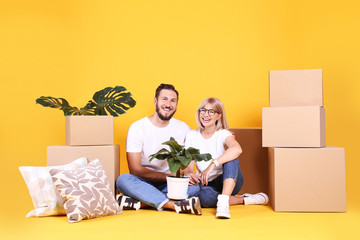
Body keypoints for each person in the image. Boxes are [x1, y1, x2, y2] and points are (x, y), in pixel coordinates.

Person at [115, 83, 202, 215]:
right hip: (143, 181)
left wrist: (189, 173)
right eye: (164, 99)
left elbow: (189, 162)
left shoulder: (183, 128)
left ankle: (143, 202)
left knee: (195, 187)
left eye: (173, 101)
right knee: (123, 180)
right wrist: (169, 176)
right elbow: (135, 170)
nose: (168, 104)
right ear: (155, 101)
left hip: (171, 184)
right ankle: (173, 205)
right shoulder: (137, 128)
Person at [184, 97, 269, 219]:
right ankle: (244, 199)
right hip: (207, 183)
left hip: (229, 179)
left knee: (231, 157)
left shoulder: (223, 134)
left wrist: (212, 165)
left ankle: (223, 203)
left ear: (219, 116)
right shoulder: (192, 135)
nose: (206, 114)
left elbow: (237, 149)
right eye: (203, 110)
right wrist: (188, 174)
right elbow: (188, 165)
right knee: (203, 198)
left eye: (211, 111)